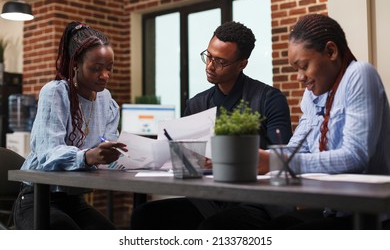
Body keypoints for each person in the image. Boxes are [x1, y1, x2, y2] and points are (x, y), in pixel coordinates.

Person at [130, 21, 293, 230]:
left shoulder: (269, 99)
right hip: (208, 199)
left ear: (242, 64)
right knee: (145, 215)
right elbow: (183, 156)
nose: (210, 66)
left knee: (216, 226)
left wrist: (225, 161)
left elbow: (281, 159)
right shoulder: (197, 103)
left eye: (220, 62)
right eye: (208, 56)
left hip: (258, 200)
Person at [259, 13, 390, 229]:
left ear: (331, 51)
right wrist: (255, 160)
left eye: (304, 66)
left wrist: (276, 162)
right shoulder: (312, 94)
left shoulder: (359, 74)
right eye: (295, 69)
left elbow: (355, 156)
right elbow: (296, 149)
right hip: (332, 209)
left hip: (370, 216)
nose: (300, 77)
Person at [13, 21, 128, 230]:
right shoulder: (55, 92)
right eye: (96, 69)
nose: (105, 76)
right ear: (76, 64)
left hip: (74, 200)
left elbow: (109, 147)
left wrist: (123, 157)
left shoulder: (106, 99)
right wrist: (87, 156)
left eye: (109, 68)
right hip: (38, 198)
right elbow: (48, 153)